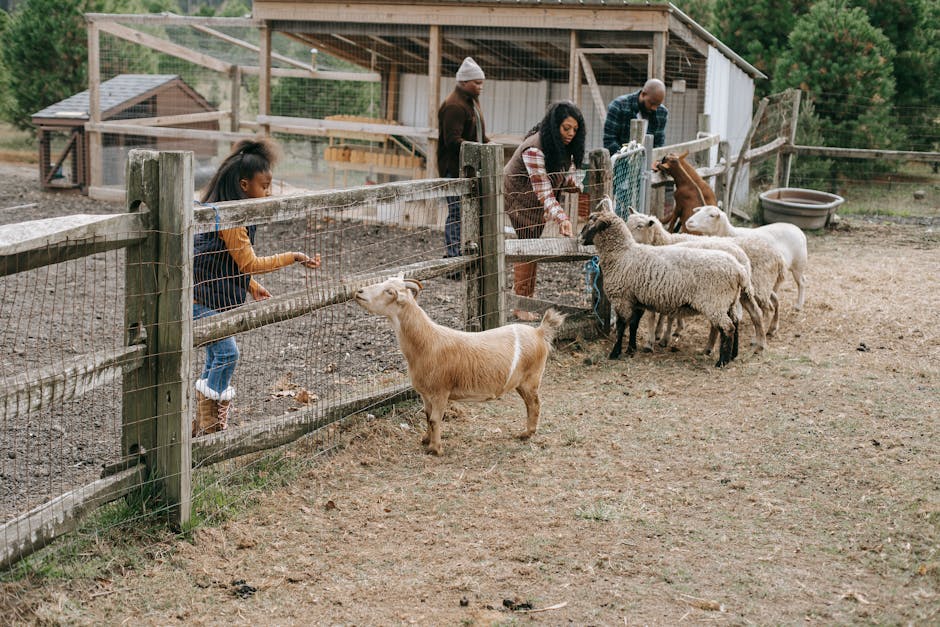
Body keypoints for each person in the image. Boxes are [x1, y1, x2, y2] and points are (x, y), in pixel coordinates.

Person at [191, 138, 321, 436]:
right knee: (227, 354)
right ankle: (211, 427)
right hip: (202, 299)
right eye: (265, 185)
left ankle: (203, 426)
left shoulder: (229, 212)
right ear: (244, 185)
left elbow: (225, 261)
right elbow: (248, 261)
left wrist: (250, 285)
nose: (269, 192)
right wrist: (293, 256)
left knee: (216, 356)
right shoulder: (232, 218)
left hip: (211, 295)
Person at [503, 100, 585, 321]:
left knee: (532, 245)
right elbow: (544, 192)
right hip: (519, 198)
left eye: (575, 130)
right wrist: (563, 219)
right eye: (566, 128)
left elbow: (563, 173)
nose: (571, 134)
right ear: (554, 125)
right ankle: (521, 304)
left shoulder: (560, 145)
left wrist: (571, 182)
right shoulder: (534, 149)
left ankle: (526, 297)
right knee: (527, 245)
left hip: (535, 200)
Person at [437, 57, 489, 273]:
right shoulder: (454, 106)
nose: (480, 87)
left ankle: (461, 255)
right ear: (464, 82)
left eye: (481, 83)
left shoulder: (470, 102)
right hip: (454, 168)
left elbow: (477, 134)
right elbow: (453, 140)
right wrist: (478, 150)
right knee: (457, 212)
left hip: (466, 167)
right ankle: (453, 259)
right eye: (476, 83)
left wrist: (487, 145)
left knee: (466, 212)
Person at [603, 78, 669, 154]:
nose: (654, 108)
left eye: (658, 105)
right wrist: (627, 159)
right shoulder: (618, 106)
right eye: (651, 103)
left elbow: (659, 143)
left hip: (649, 161)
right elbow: (610, 141)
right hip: (620, 160)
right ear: (643, 94)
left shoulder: (662, 112)